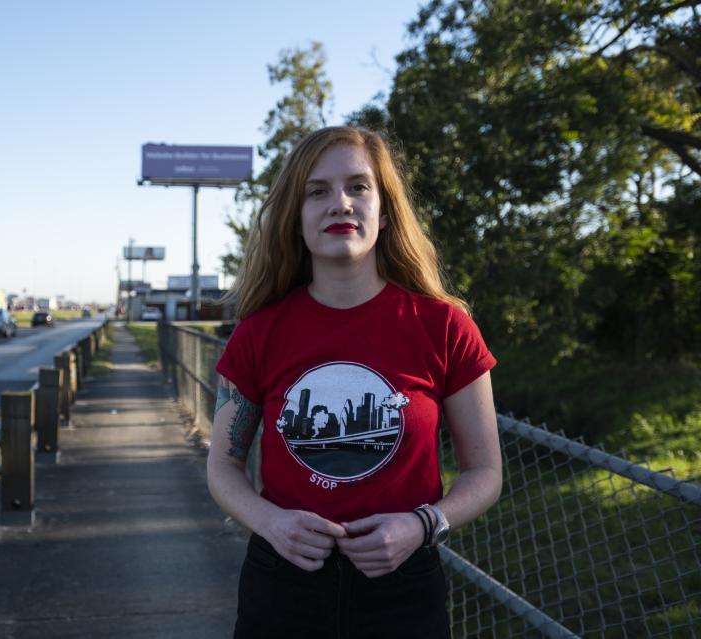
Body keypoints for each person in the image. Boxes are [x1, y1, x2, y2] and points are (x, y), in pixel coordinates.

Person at [207, 126, 503, 638]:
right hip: (283, 585)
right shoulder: (258, 333)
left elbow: (485, 473)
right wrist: (272, 523)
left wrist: (422, 525)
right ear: (296, 219)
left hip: (404, 588)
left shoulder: (445, 327)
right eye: (316, 191)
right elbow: (223, 465)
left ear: (384, 212)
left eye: (358, 187)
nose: (339, 203)